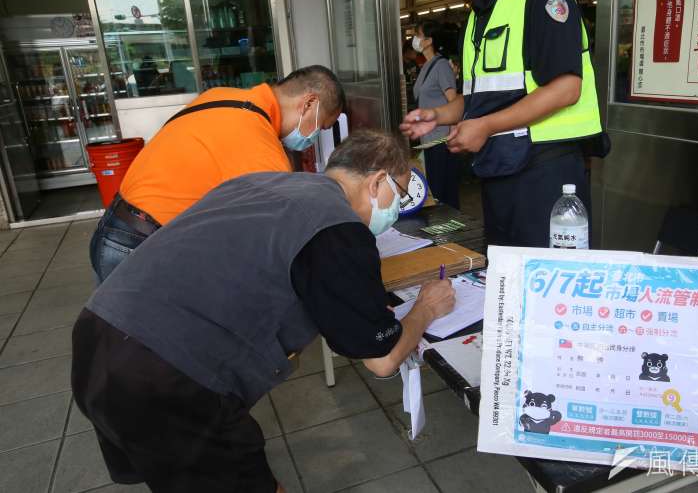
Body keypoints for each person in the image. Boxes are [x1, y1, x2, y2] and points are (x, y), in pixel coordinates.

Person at [72, 130, 456, 493]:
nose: (398, 209)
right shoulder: (337, 227)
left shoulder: (262, 183)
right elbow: (382, 360)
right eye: (400, 195)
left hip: (98, 336)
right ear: (377, 183)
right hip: (165, 379)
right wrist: (425, 307)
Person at [405, 0, 603, 247]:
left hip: (545, 177)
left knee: (543, 279)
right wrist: (437, 115)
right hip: (500, 173)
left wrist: (485, 126)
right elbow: (480, 97)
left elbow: (566, 88)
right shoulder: (478, 15)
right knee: (504, 276)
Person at [89, 65, 345, 282]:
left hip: (115, 227)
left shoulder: (222, 96)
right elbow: (277, 245)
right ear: (309, 103)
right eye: (321, 126)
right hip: (144, 248)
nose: (313, 138)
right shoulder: (260, 147)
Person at [412, 20, 461, 209]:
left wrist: (454, 135)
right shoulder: (426, 66)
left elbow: (453, 101)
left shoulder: (441, 66)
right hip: (430, 141)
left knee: (444, 195)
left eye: (418, 35)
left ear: (429, 41)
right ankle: (444, 234)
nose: (415, 39)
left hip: (442, 141)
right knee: (436, 192)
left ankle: (452, 235)